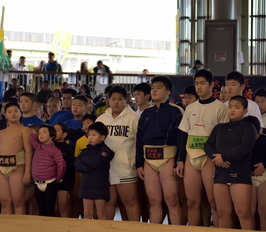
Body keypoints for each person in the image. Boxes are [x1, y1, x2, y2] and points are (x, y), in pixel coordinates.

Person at [177, 69, 229, 227]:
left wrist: (219, 157)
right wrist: (180, 160)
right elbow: (183, 135)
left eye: (203, 83)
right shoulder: (190, 108)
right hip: (191, 156)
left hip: (210, 157)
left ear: (211, 84)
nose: (199, 87)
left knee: (214, 201)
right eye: (196, 83)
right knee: (192, 201)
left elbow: (224, 137)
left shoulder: (220, 108)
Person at [136, 76, 184, 224]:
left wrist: (178, 161)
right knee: (153, 200)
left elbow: (181, 139)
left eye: (159, 88)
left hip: (168, 158)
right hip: (148, 160)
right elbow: (139, 139)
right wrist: (138, 163)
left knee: (172, 200)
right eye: (153, 88)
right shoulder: (146, 113)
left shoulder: (176, 111)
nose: (154, 90)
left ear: (168, 92)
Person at [205, 96, 258, 230]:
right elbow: (208, 145)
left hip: (240, 172)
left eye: (237, 107)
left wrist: (223, 157)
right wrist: (217, 159)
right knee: (223, 213)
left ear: (245, 111)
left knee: (244, 213)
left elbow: (245, 147)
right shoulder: (219, 127)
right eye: (230, 107)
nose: (232, 110)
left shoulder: (248, 127)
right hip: (221, 172)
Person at [96, 85, 141, 221]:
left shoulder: (133, 118)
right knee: (108, 202)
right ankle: (108, 231)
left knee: (130, 201)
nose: (116, 102)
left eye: (120, 99)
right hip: (105, 169)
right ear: (108, 100)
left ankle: (134, 230)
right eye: (113, 99)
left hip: (126, 168)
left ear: (126, 100)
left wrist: (137, 163)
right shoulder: (101, 119)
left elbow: (140, 143)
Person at [0, 103, 33, 215]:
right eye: (9, 112)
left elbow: (28, 151)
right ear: (5, 115)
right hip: (1, 169)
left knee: (18, 201)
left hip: (17, 168)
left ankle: (19, 225)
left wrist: (27, 172)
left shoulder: (24, 130)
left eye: (15, 111)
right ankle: (6, 225)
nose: (13, 114)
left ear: (20, 113)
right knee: (5, 202)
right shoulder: (0, 133)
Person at [75, 121, 114, 220]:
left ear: (102, 137)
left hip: (100, 185)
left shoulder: (106, 151)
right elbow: (77, 164)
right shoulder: (85, 150)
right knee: (87, 214)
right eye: (89, 135)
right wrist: (88, 167)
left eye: (94, 135)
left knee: (101, 213)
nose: (90, 137)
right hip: (86, 185)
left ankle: (102, 230)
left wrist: (85, 160)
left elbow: (97, 162)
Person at [29, 125, 65, 217]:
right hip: (37, 183)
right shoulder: (38, 147)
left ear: (52, 135)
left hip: (50, 183)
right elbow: (31, 136)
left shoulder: (55, 150)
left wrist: (57, 178)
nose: (40, 135)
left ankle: (51, 226)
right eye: (39, 133)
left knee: (50, 210)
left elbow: (61, 165)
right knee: (41, 210)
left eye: (44, 132)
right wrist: (38, 134)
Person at [53, 123, 76, 218]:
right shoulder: (48, 146)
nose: (54, 132)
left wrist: (59, 177)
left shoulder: (69, 149)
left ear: (64, 134)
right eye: (53, 130)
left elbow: (69, 167)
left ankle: (66, 225)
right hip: (50, 180)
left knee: (63, 206)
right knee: (52, 207)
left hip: (64, 181)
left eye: (57, 130)